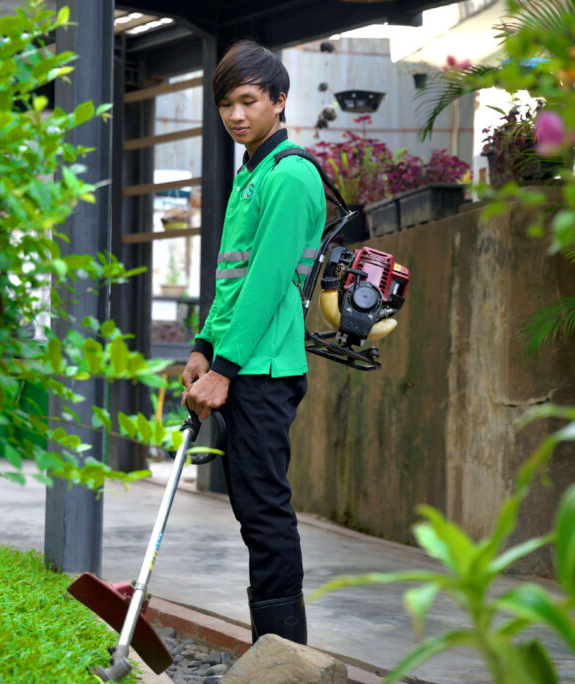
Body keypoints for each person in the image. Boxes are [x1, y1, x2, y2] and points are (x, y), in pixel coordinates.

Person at [180, 40, 324, 645]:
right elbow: (232, 279)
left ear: (279, 101)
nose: (236, 115)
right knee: (251, 510)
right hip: (242, 364)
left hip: (264, 369)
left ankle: (285, 653)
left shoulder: (289, 176)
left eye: (248, 100)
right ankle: (273, 646)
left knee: (264, 511)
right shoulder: (252, 176)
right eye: (226, 105)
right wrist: (203, 347)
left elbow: (267, 286)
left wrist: (227, 368)